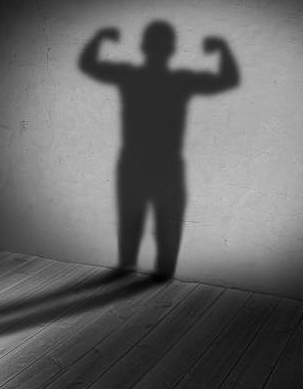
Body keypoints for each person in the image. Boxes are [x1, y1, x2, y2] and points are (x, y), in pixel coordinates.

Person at [80, 21, 239, 280]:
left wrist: (99, 37)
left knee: (145, 221)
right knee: (150, 221)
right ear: (172, 49)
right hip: (154, 162)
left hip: (147, 161)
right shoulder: (173, 80)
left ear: (144, 46)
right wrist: (221, 49)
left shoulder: (140, 77)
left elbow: (89, 65)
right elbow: (227, 79)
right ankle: (146, 272)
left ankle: (139, 270)